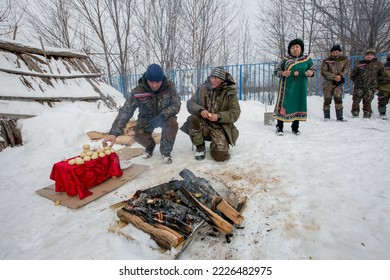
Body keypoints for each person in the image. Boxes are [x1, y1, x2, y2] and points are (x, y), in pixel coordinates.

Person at [102, 63, 181, 164]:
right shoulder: (138, 91)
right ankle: (150, 146)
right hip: (146, 118)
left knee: (172, 125)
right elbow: (126, 111)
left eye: (158, 82)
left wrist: (162, 115)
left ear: (162, 80)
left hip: (164, 116)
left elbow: (176, 104)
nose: (155, 85)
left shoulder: (169, 87)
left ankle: (166, 152)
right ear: (146, 79)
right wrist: (114, 133)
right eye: (151, 82)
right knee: (138, 134)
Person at [180, 67, 241, 161]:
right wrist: (201, 110)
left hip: (220, 127)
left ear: (221, 80)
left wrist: (219, 116)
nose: (212, 80)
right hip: (204, 124)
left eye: (216, 78)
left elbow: (235, 113)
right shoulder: (202, 88)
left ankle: (217, 143)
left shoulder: (229, 92)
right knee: (192, 119)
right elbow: (190, 103)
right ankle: (200, 146)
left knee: (220, 157)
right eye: (212, 77)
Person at [273, 38, 315, 136]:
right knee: (284, 105)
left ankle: (295, 128)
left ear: (301, 48)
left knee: (298, 104)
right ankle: (279, 127)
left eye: (297, 47)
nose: (295, 49)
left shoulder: (307, 59)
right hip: (286, 89)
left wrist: (311, 72)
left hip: (300, 88)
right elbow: (276, 72)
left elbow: (313, 70)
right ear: (289, 50)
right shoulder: (285, 60)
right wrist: (283, 72)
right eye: (292, 47)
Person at [350, 48, 384, 118]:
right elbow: (353, 75)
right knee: (356, 100)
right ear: (365, 55)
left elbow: (382, 76)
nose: (369, 56)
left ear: (374, 56)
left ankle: (367, 113)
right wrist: (356, 82)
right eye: (368, 55)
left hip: (371, 87)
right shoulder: (359, 64)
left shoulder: (378, 64)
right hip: (359, 87)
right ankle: (355, 113)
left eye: (371, 55)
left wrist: (377, 85)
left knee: (367, 101)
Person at [320, 44, 350, 121]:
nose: (335, 54)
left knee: (338, 99)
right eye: (333, 52)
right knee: (327, 99)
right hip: (328, 83)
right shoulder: (326, 61)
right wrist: (333, 76)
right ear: (331, 52)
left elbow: (347, 69)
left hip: (339, 83)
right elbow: (323, 71)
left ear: (339, 52)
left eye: (337, 52)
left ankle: (339, 117)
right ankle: (327, 117)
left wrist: (340, 75)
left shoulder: (344, 59)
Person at [377, 54, 390, 120]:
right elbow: (379, 76)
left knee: (382, 101)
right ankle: (382, 113)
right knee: (382, 101)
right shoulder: (384, 66)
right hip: (384, 87)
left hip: (384, 86)